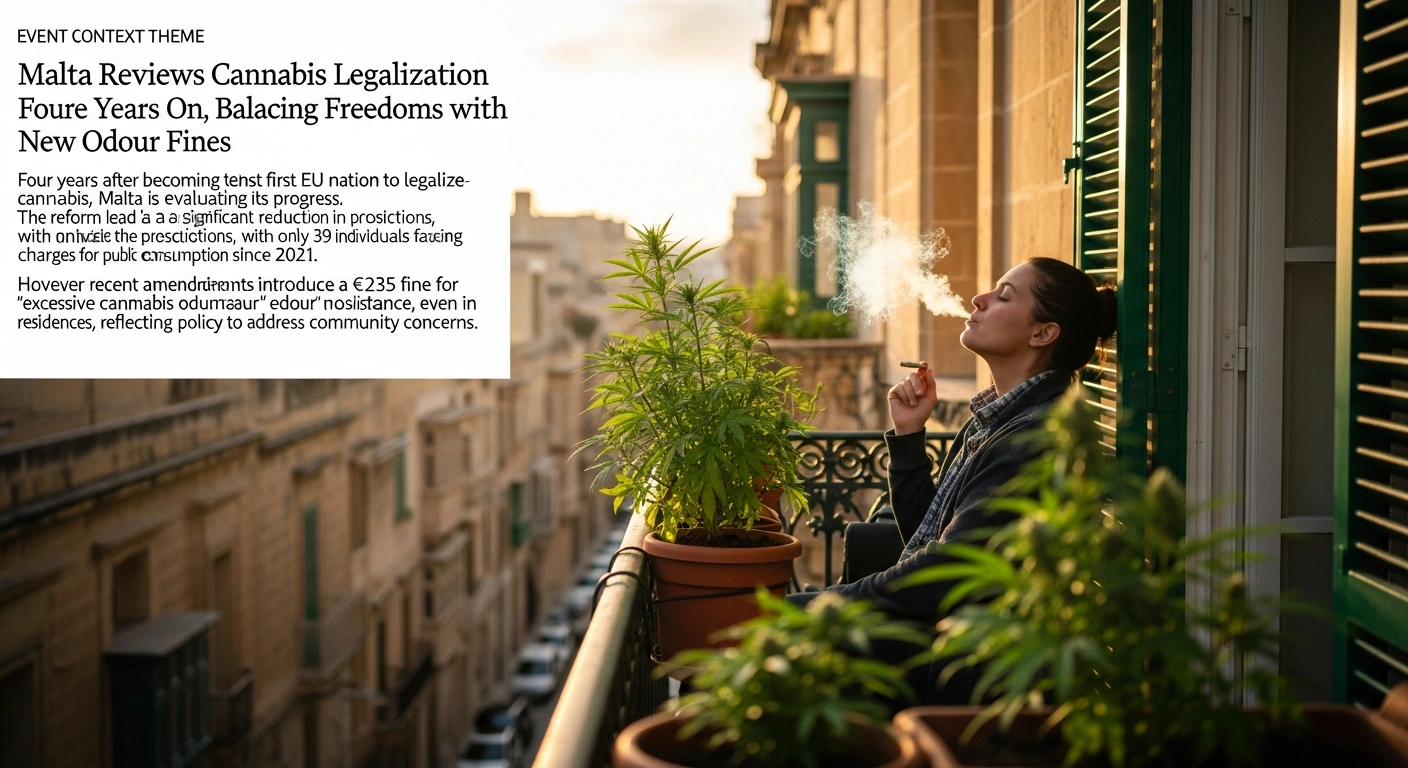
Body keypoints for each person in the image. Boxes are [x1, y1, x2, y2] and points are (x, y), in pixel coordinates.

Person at [789, 257, 1116, 697]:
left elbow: (948, 569)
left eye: (1003, 296)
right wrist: (908, 436)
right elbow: (927, 530)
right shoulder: (995, 418)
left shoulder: (1033, 436)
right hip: (939, 631)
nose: (978, 300)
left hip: (964, 657)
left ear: (1042, 333)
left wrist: (827, 603)